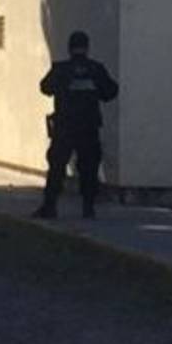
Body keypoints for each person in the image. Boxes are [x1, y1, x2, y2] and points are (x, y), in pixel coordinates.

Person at [34, 31, 118, 220]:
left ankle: (50, 206)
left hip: (64, 126)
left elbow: (45, 87)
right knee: (89, 167)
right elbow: (111, 92)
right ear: (87, 48)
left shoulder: (61, 69)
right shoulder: (96, 69)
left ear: (69, 48)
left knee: (57, 166)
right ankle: (88, 207)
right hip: (88, 127)